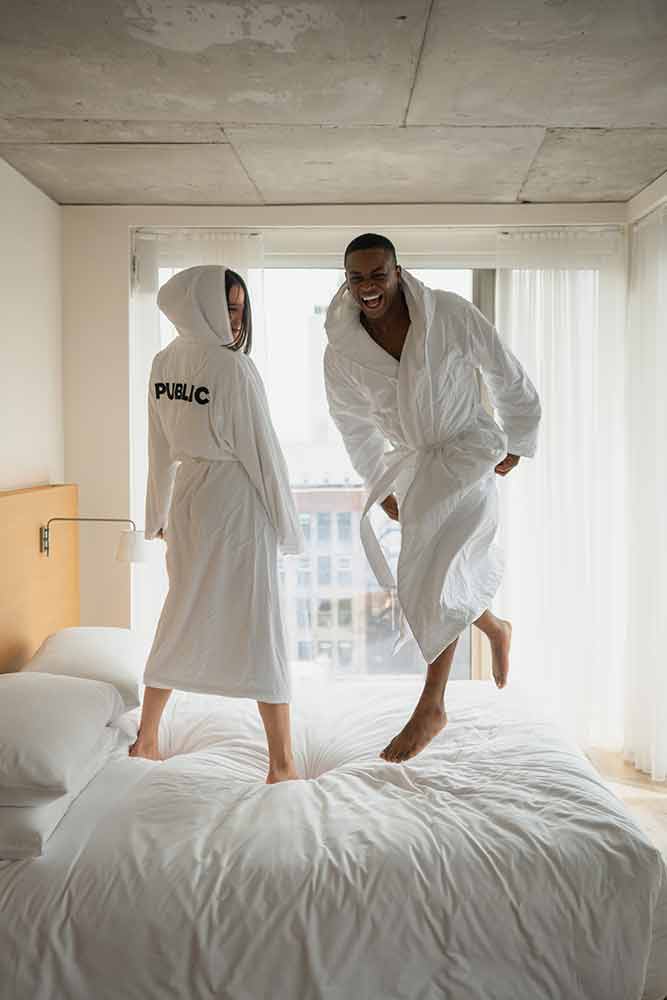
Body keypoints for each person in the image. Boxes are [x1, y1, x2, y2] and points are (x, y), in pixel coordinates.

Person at [324, 234, 541, 764]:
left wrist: (518, 438)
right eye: (357, 278)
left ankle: (431, 705)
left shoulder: (448, 313)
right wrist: (380, 483)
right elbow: (353, 425)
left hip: (467, 451)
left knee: (436, 574)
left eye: (378, 274)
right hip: (416, 466)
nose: (368, 287)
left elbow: (504, 370)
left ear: (398, 271)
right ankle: (494, 626)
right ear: (346, 281)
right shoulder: (342, 351)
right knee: (433, 576)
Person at [129, 265, 303, 784]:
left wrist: (158, 514)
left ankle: (146, 738)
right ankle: (282, 763)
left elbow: (158, 449)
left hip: (188, 500)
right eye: (226, 307)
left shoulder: (163, 362)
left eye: (240, 308)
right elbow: (264, 454)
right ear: (199, 305)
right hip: (237, 501)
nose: (235, 319)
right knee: (260, 620)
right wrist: (287, 526)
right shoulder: (233, 368)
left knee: (180, 610)